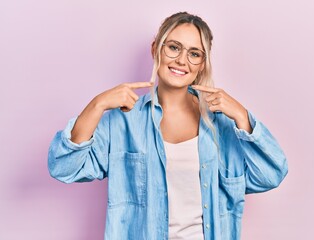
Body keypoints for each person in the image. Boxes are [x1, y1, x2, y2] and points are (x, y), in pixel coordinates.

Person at [48, 12, 288, 240]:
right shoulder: (124, 122)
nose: (182, 60)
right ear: (156, 49)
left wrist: (242, 116)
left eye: (194, 53)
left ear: (202, 64)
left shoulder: (221, 125)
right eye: (174, 47)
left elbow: (271, 174)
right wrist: (97, 104)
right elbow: (64, 167)